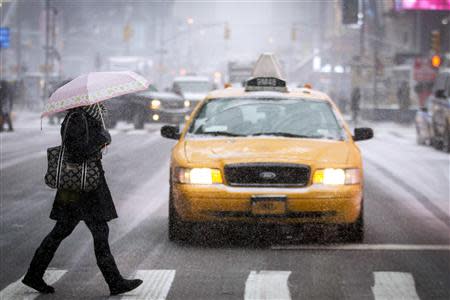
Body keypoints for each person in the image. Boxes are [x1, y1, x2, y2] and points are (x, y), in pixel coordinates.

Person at [22, 103, 143, 296]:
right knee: (97, 232)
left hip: (80, 186)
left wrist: (100, 136)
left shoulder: (83, 116)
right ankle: (115, 282)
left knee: (63, 231)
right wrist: (103, 138)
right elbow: (77, 150)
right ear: (86, 102)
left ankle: (34, 275)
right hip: (83, 188)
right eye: (96, 101)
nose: (100, 104)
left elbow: (81, 146)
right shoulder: (78, 118)